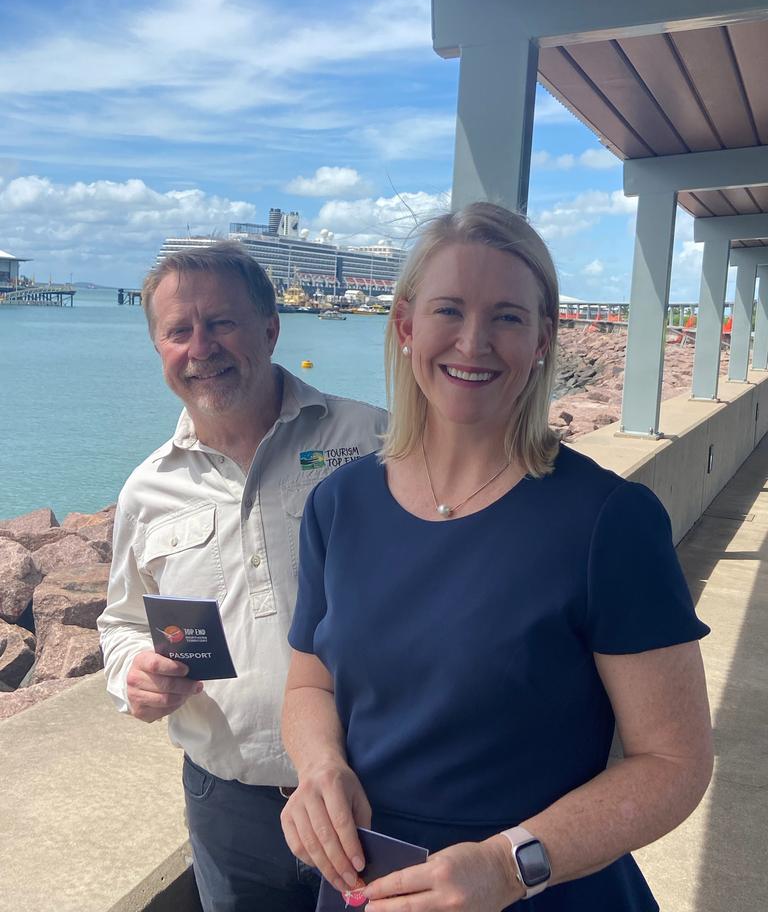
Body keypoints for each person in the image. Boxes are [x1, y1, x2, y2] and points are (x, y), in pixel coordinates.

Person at [280, 203, 713, 911]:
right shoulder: (339, 505)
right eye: (449, 310)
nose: (473, 342)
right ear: (406, 325)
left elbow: (675, 763)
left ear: (543, 339)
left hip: (546, 889)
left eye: (508, 317)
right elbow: (308, 687)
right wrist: (319, 765)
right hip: (368, 885)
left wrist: (510, 866)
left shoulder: (610, 521)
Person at [97, 242, 386, 912]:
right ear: (158, 348)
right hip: (225, 806)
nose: (201, 348)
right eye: (178, 331)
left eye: (221, 323)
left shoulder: (371, 441)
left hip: (372, 787)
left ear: (270, 329)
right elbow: (121, 620)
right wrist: (132, 672)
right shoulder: (148, 489)